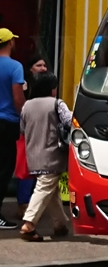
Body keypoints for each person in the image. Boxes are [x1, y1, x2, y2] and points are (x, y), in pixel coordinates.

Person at [19, 71, 71, 242]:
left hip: (33, 154)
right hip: (52, 155)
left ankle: (60, 224)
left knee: (51, 190)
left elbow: (22, 128)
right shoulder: (57, 104)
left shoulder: (27, 106)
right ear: (52, 88)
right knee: (44, 187)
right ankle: (29, 223)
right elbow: (70, 122)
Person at [14, 53, 48, 218]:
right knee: (25, 168)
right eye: (38, 66)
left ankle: (32, 205)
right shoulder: (25, 86)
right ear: (30, 69)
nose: (43, 69)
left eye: (44, 65)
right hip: (25, 131)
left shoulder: (47, 85)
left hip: (40, 131)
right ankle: (24, 204)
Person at [0, 28, 25, 230]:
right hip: (6, 123)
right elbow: (18, 98)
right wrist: (24, 116)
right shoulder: (15, 67)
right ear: (9, 43)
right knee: (4, 168)